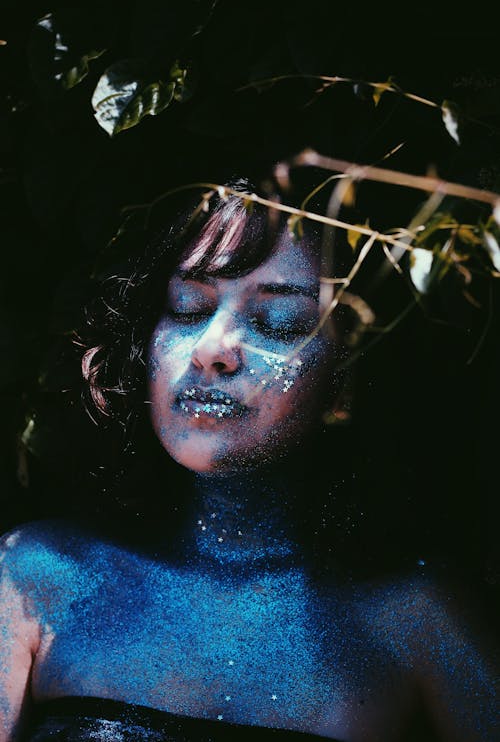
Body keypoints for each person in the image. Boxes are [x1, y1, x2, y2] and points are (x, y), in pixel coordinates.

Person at [0, 172, 497, 742]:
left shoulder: (415, 620)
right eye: (188, 307)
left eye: (277, 323)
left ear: (345, 381)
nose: (213, 349)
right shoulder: (35, 575)